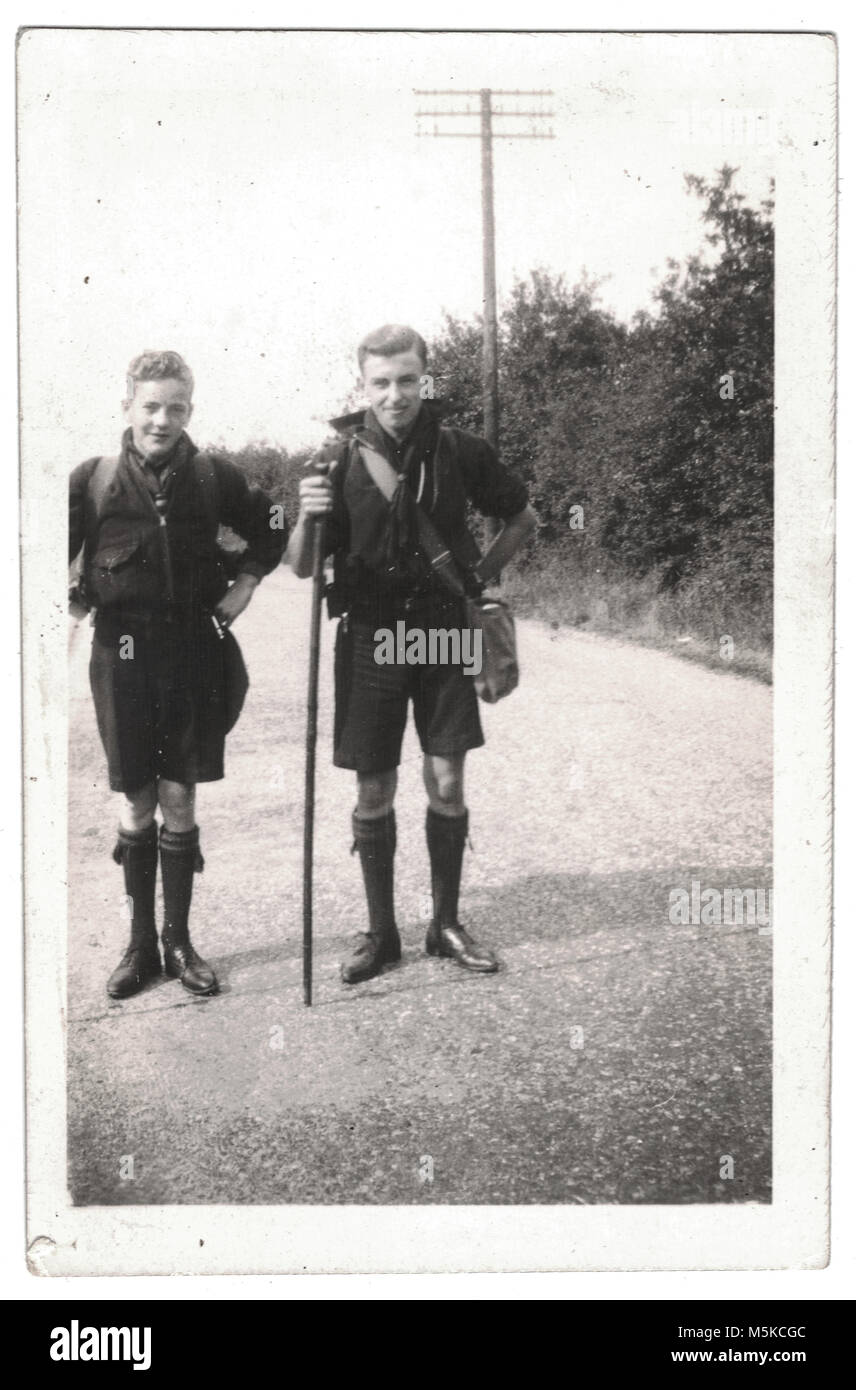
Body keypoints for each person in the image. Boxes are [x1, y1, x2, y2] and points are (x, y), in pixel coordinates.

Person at [287, 323, 537, 984]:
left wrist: (478, 576)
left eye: (406, 380)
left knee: (447, 778)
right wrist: (309, 516)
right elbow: (303, 566)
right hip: (370, 632)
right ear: (362, 385)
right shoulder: (335, 461)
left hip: (440, 629)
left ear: (424, 379)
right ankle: (382, 934)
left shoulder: (461, 451)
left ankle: (445, 924)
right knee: (375, 785)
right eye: (381, 383)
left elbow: (524, 517)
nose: (395, 395)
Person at [69, 350, 286, 999]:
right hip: (121, 657)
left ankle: (178, 941)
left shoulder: (213, 475)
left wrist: (247, 579)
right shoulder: (94, 479)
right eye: (151, 406)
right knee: (135, 799)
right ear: (128, 406)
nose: (162, 419)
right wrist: (69, 602)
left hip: (192, 652)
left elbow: (272, 523)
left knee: (180, 798)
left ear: (190, 410)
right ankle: (138, 946)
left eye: (176, 408)